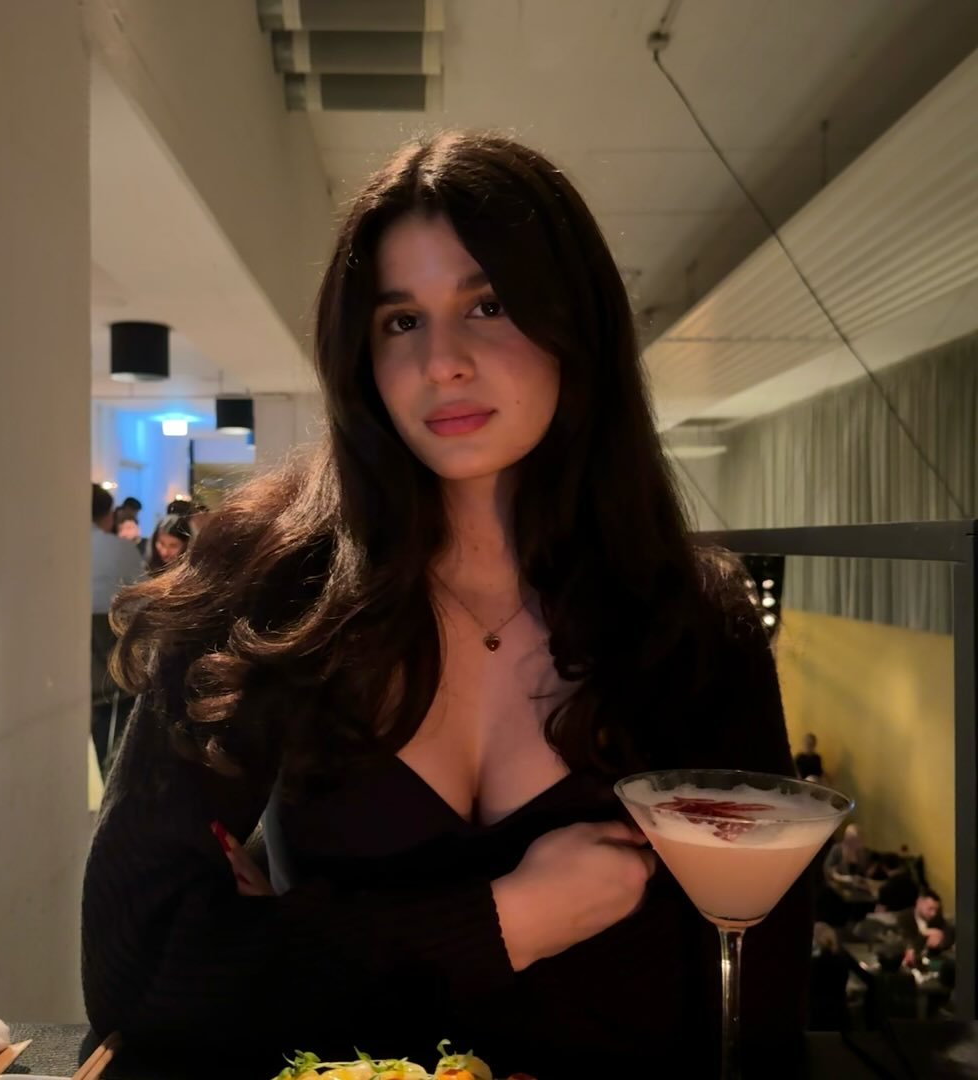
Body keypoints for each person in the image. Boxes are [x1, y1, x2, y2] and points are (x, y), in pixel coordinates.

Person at [82, 132, 811, 1075]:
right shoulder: (263, 587)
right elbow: (135, 971)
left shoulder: (693, 619)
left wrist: (293, 948)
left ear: (577, 326)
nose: (442, 363)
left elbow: (751, 999)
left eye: (489, 305)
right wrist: (511, 919)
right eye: (400, 320)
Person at [90, 484, 145, 774]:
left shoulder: (54, 544)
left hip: (63, 660)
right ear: (108, 515)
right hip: (109, 653)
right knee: (111, 723)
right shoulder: (121, 550)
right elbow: (143, 600)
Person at [897, 890, 955, 967]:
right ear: (919, 903)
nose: (933, 913)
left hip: (931, 962)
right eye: (930, 909)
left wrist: (941, 938)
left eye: (936, 910)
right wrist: (924, 934)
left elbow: (949, 933)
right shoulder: (903, 918)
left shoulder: (936, 917)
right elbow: (907, 944)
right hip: (911, 964)